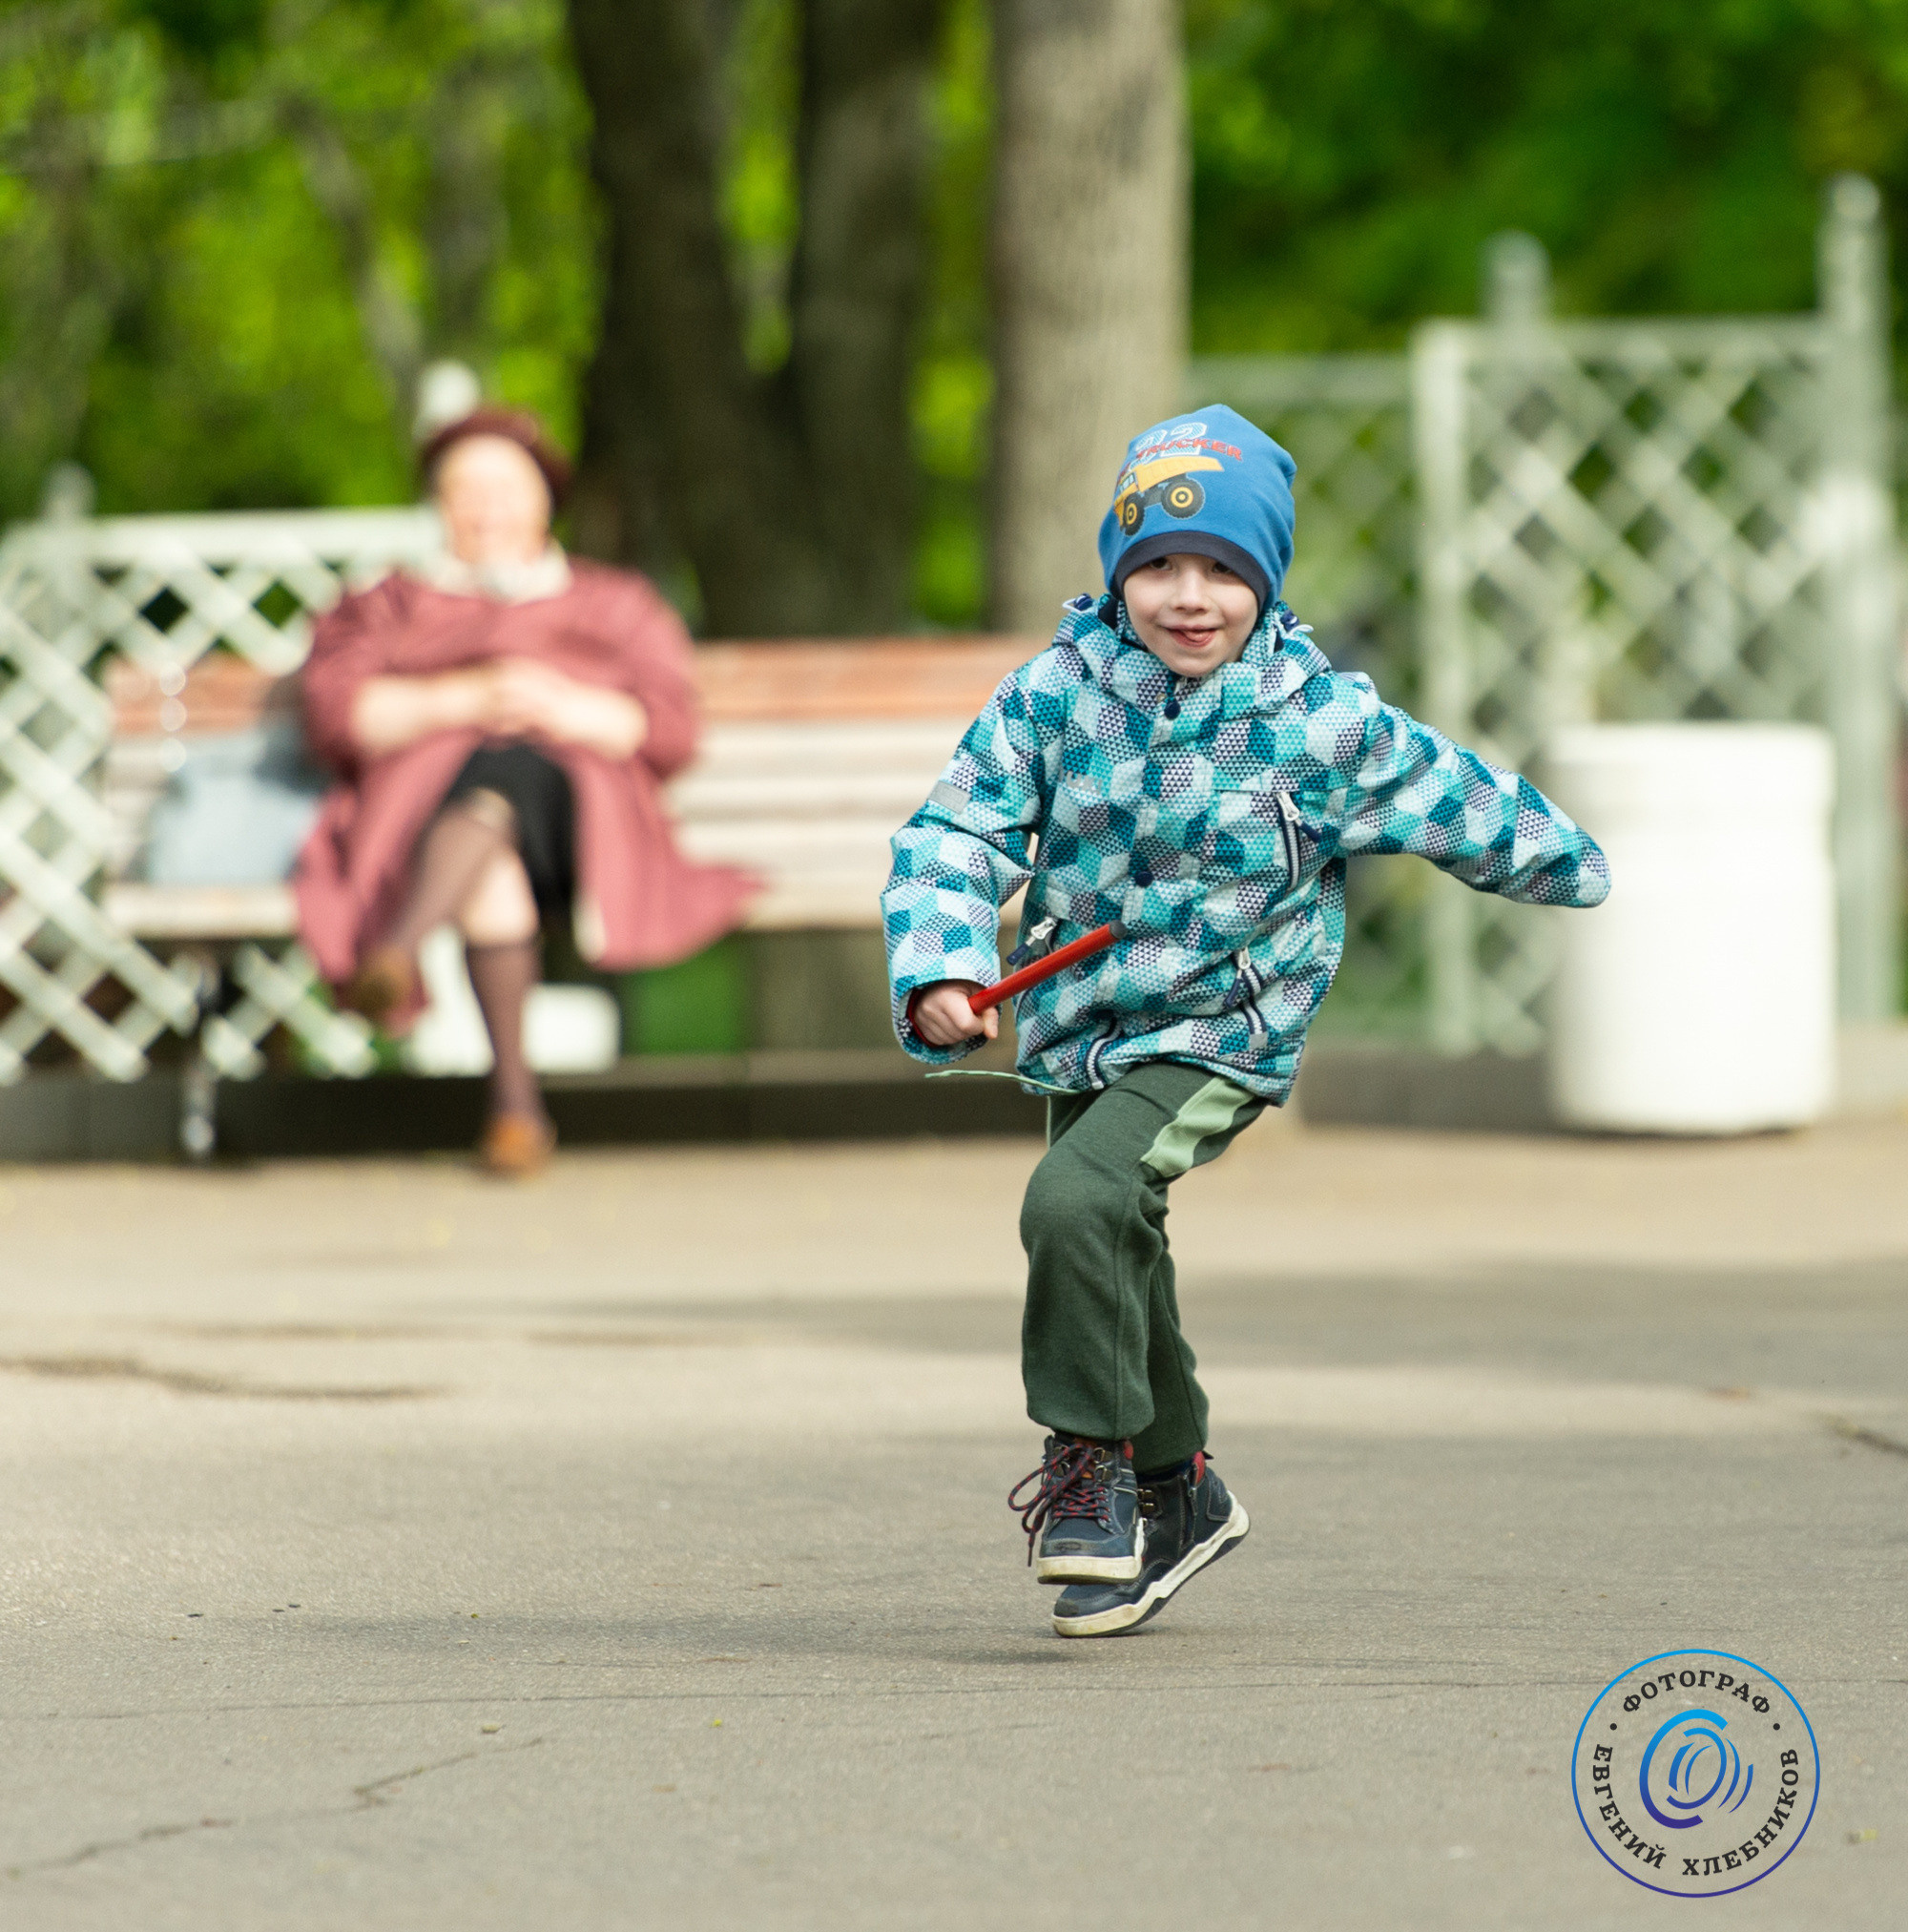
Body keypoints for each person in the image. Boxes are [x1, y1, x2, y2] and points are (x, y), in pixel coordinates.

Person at [881, 405, 1610, 1638]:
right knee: (1117, 1239)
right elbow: (955, 831)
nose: (1189, 594)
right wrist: (944, 964)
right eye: (1159, 565)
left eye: (1223, 568)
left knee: (1073, 1203)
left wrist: (1572, 863)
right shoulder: (1054, 695)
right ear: (1118, 572)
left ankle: (1092, 1471)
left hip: (1227, 1021)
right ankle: (1184, 1489)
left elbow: (1449, 793)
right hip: (1082, 1016)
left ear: (1265, 580)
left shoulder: (1315, 719)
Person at [296, 406, 753, 1174]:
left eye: (504, 487)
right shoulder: (389, 606)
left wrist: (563, 708)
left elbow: (671, 728)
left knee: (513, 771)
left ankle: (397, 948)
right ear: (438, 506)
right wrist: (467, 699)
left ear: (545, 500)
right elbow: (338, 715)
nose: (485, 508)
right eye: (463, 490)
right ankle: (514, 1111)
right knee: (490, 835)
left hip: (581, 829)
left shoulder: (611, 602)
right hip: (426, 819)